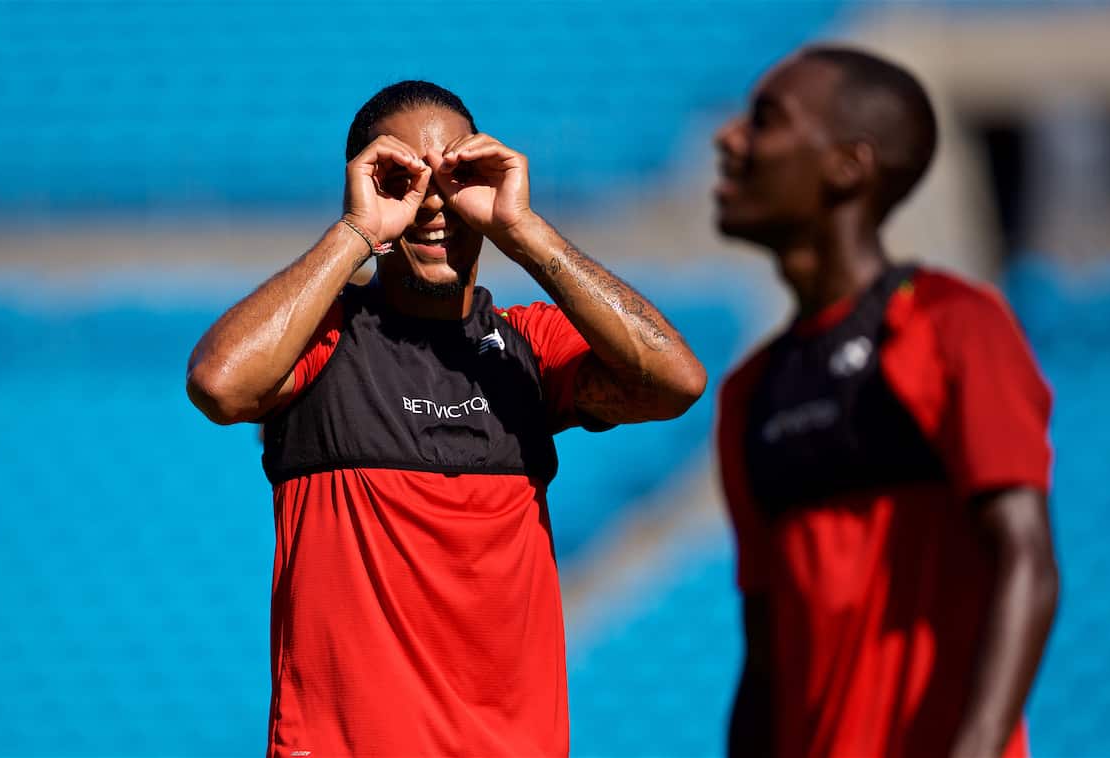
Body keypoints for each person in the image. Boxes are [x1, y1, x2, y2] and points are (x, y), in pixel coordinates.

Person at [186, 80, 706, 757]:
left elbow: (676, 382)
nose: (434, 202)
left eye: (456, 173)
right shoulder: (324, 340)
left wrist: (525, 231)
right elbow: (219, 385)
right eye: (403, 176)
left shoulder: (527, 348)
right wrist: (356, 233)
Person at [713, 46, 1059, 758]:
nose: (728, 139)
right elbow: (765, 651)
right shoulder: (749, 392)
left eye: (765, 121)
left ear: (848, 166)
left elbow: (1026, 560)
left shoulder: (955, 324)